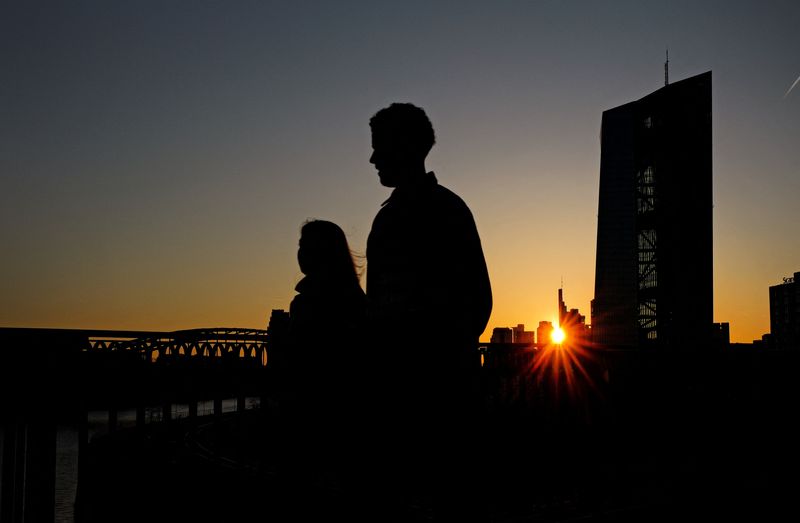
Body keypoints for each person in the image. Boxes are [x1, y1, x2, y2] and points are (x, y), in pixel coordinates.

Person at [365, 102, 493, 520]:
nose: (372, 158)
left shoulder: (438, 212)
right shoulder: (436, 211)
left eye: (379, 147)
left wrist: (428, 352)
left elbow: (474, 302)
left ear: (406, 147)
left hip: (429, 392)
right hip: (420, 389)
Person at [277, 219, 367, 517]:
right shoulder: (352, 299)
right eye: (300, 246)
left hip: (318, 411)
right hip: (339, 413)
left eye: (307, 246)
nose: (301, 253)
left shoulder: (317, 303)